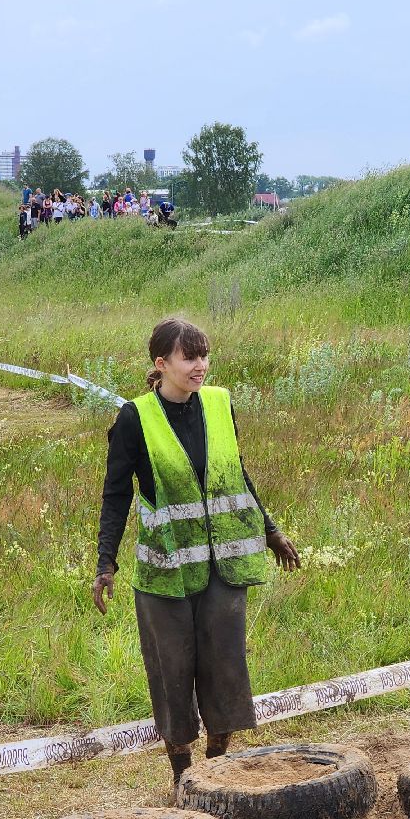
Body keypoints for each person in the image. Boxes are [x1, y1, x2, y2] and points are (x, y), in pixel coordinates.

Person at [93, 317, 301, 784]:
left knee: (225, 670)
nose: (200, 366)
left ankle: (217, 774)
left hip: (224, 569)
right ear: (162, 363)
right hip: (165, 576)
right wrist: (106, 562)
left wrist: (270, 530)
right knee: (172, 675)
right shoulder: (134, 419)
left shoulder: (220, 403)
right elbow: (116, 495)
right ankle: (183, 778)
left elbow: (236, 474)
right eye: (189, 357)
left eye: (204, 355)